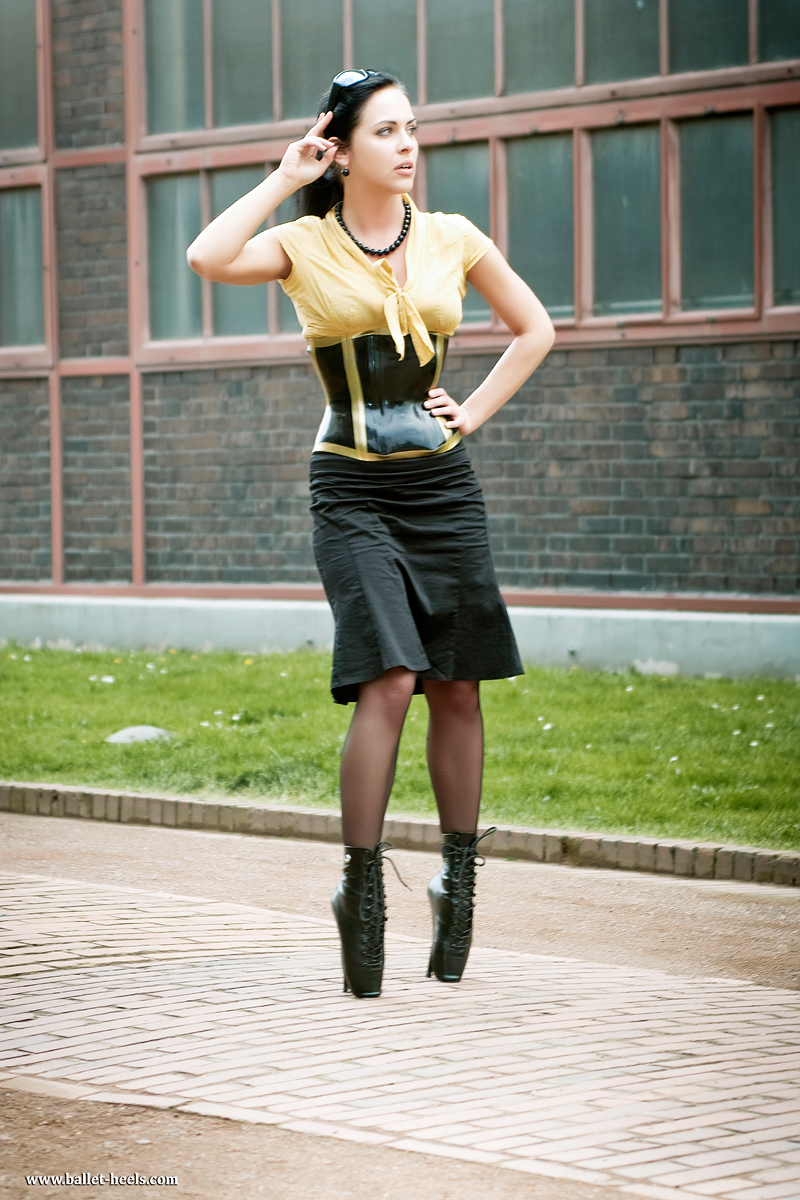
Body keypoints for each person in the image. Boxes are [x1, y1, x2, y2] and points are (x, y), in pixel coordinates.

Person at [187, 69, 555, 999]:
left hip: (443, 486)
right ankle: (362, 890)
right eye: (384, 131)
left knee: (457, 683)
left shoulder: (452, 237)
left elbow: (535, 328)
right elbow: (206, 256)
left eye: (411, 128)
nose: (407, 144)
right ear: (341, 151)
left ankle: (458, 882)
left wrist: (470, 412)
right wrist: (284, 177)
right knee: (389, 676)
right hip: (350, 488)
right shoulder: (303, 244)